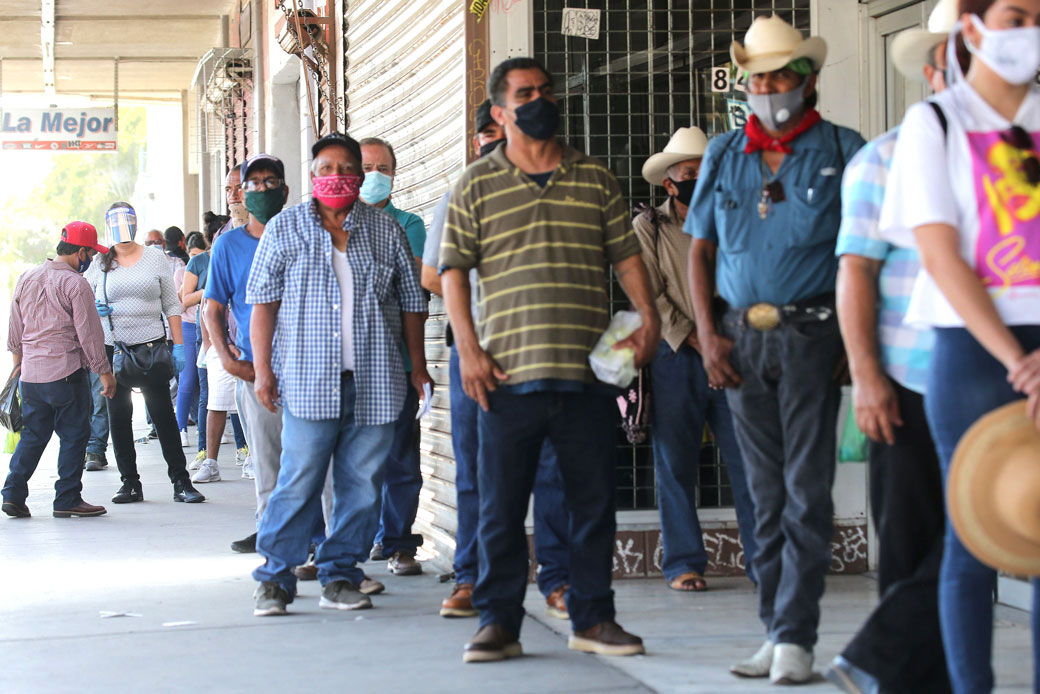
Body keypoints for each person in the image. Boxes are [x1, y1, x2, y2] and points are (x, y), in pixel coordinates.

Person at [441, 57, 660, 663]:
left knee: (592, 504)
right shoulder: (476, 185)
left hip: (589, 371)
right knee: (501, 508)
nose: (541, 100)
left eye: (545, 90)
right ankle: (498, 624)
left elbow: (626, 258)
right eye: (526, 93)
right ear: (500, 113)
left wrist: (650, 316)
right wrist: (468, 351)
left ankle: (593, 618)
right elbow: (453, 273)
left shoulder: (594, 178)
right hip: (505, 375)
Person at [686, 15, 865, 684]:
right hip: (739, 338)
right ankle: (774, 627)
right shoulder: (724, 154)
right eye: (758, 77)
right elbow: (699, 251)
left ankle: (797, 637)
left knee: (805, 490)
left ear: (808, 79)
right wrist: (708, 335)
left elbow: (861, 256)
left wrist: (856, 335)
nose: (768, 87)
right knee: (759, 493)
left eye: (781, 75)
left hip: (814, 334)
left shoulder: (845, 149)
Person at [880, 2, 1040, 691]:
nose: (1030, 28)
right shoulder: (936, 122)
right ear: (971, 28)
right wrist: (1016, 360)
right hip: (973, 350)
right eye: (1016, 15)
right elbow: (941, 255)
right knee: (973, 538)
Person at [827, 3, 959, 692]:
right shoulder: (883, 160)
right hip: (906, 382)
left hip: (998, 382)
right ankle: (898, 672)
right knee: (912, 545)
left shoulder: (1019, 160)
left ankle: (886, 660)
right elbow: (856, 273)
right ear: (936, 68)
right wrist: (868, 380)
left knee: (985, 530)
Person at [247, 132, 430, 616]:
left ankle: (341, 573)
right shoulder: (284, 228)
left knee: (362, 484)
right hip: (308, 383)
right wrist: (263, 371)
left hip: (376, 380)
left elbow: (413, 304)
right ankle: (274, 578)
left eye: (347, 169)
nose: (337, 177)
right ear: (312, 177)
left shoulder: (386, 231)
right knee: (299, 479)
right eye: (327, 169)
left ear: (361, 175)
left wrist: (420, 369)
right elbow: (262, 306)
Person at [421, 100, 573, 621]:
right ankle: (471, 577)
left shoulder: (562, 188)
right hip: (476, 355)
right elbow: (430, 275)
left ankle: (558, 580)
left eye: (499, 128)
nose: (492, 138)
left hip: (546, 353)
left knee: (553, 471)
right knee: (475, 474)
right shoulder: (462, 192)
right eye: (484, 131)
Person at [635, 127, 759, 592]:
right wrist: (697, 340)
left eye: (707, 169)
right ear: (670, 183)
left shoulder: (737, 218)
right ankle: (684, 562)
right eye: (690, 173)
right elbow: (649, 294)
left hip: (736, 353)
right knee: (674, 460)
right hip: (676, 357)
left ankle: (764, 562)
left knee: (749, 461)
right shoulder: (648, 227)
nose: (700, 178)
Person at [84, 202, 205, 505]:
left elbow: (172, 306)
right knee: (119, 417)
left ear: (136, 224)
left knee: (163, 415)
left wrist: (178, 346)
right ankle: (130, 483)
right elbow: (85, 306)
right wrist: (95, 309)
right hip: (114, 350)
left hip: (151, 348)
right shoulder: (99, 263)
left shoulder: (154, 258)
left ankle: (180, 481)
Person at [2, 222, 116, 519]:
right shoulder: (76, 284)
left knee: (33, 436)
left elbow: (15, 330)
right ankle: (67, 497)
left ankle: (13, 494)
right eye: (90, 254)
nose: (91, 260)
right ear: (81, 253)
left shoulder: (26, 277)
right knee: (75, 435)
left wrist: (18, 366)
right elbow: (90, 335)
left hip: (31, 376)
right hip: (65, 373)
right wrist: (105, 372)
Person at [358, 136, 428, 576]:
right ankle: (354, 540)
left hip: (399, 362)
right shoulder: (333, 222)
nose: (374, 177)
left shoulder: (409, 223)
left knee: (402, 457)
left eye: (382, 168)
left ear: (395, 176)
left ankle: (399, 542)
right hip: (349, 366)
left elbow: (415, 290)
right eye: (365, 168)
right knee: (357, 461)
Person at [174, 232, 207, 447]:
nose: (195, 259)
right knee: (187, 380)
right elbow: (181, 302)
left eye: (199, 254)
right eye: (192, 255)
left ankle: (211, 428)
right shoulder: (182, 272)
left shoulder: (213, 264)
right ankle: (181, 429)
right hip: (188, 325)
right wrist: (200, 291)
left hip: (209, 324)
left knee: (206, 381)